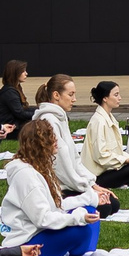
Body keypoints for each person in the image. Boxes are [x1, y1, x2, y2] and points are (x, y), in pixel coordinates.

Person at [0, 118, 104, 256]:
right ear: (39, 144)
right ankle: (80, 251)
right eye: (51, 138)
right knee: (81, 230)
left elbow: (57, 205)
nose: (56, 142)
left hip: (40, 230)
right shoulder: (26, 176)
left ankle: (83, 252)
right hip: (27, 241)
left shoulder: (41, 167)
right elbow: (43, 219)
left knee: (91, 211)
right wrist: (76, 218)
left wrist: (90, 198)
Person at [29, 75, 116, 215]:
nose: (74, 99)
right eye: (70, 94)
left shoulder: (60, 118)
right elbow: (61, 167)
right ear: (56, 95)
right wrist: (88, 189)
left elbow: (74, 159)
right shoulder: (49, 120)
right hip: (59, 188)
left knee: (111, 203)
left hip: (70, 184)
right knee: (106, 207)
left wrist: (93, 185)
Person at [83, 81, 129, 190]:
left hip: (110, 168)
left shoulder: (109, 117)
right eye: (116, 95)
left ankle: (126, 182)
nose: (120, 98)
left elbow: (116, 151)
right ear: (105, 98)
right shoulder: (98, 122)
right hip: (98, 174)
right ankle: (124, 183)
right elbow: (100, 155)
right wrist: (126, 161)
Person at [0, 61, 36, 138]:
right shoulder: (10, 93)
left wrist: (39, 109)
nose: (26, 73)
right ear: (15, 74)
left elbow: (23, 109)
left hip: (15, 123)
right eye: (23, 71)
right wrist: (38, 113)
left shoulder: (15, 88)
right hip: (9, 128)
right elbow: (20, 113)